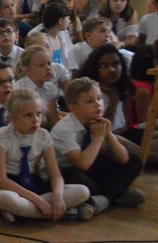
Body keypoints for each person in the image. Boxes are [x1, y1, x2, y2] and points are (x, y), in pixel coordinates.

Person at [0, 89, 93, 222]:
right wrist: (37, 200)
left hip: (32, 182)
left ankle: (24, 214)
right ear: (12, 118)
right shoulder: (2, 137)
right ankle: (59, 213)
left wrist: (58, 196)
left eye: (38, 114)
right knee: (2, 198)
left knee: (82, 191)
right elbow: (1, 181)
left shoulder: (44, 135)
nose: (35, 120)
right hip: (8, 185)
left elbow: (55, 175)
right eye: (28, 115)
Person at [50, 77, 144, 209]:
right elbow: (83, 164)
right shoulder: (64, 129)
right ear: (73, 108)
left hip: (89, 165)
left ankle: (105, 197)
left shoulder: (97, 122)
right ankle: (116, 193)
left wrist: (108, 134)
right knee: (82, 182)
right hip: (64, 171)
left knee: (135, 161)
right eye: (90, 101)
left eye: (99, 98)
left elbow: (123, 159)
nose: (98, 104)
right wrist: (99, 137)